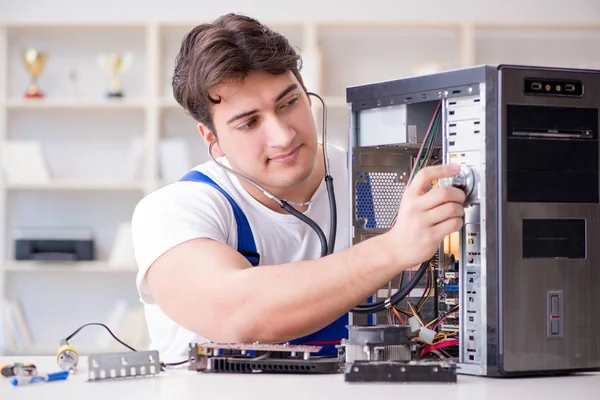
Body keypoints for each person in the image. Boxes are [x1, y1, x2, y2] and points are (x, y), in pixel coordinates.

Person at [131, 13, 466, 362]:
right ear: (212, 139)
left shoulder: (377, 180)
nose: (283, 136)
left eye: (288, 103)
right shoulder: (173, 210)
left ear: (306, 92)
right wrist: (392, 249)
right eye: (249, 123)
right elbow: (239, 313)